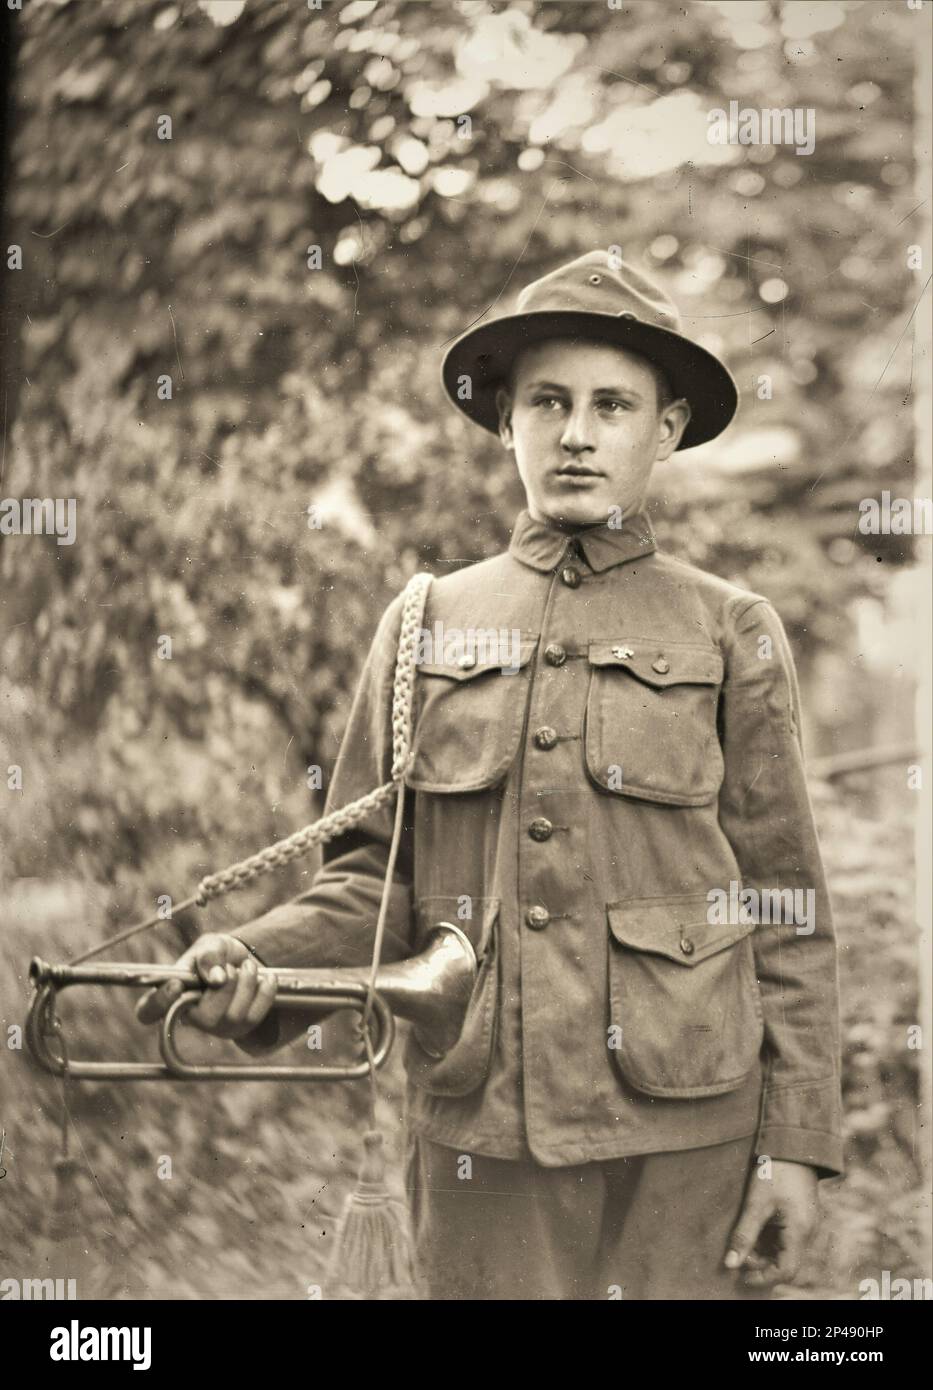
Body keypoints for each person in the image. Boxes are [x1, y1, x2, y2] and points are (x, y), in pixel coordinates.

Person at [138, 249, 844, 1300]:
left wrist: (795, 1143)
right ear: (506, 420)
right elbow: (370, 886)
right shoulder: (427, 623)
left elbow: (788, 908)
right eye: (548, 401)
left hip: (690, 1131)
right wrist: (253, 962)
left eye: (613, 404)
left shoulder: (728, 628)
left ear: (668, 429)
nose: (577, 431)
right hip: (485, 1123)